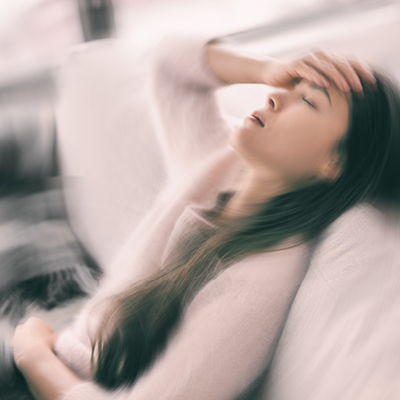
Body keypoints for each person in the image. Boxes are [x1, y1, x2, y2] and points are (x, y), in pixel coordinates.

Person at [10, 31, 400, 400]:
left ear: (332, 164)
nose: (276, 97)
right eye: (292, 86)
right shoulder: (218, 163)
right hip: (59, 352)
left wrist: (32, 354)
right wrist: (266, 67)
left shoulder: (255, 286)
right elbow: (171, 67)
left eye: (310, 101)